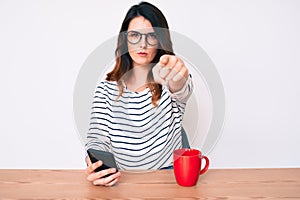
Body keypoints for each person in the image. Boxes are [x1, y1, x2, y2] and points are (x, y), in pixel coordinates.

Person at [85, 1, 193, 187]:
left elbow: (182, 88)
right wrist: (96, 166)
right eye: (134, 35)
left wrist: (178, 74)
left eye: (151, 36)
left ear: (160, 41)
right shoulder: (106, 88)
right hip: (123, 181)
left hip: (169, 180)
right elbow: (97, 139)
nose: (142, 44)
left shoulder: (169, 79)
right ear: (124, 40)